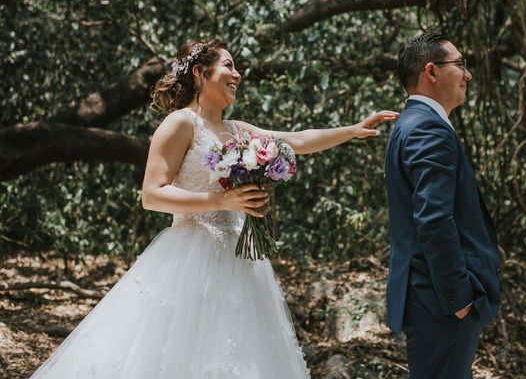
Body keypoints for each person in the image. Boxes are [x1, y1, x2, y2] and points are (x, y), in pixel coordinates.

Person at [30, 38, 398, 378]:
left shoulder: (237, 130)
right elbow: (151, 194)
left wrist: (352, 129)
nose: (237, 74)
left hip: (241, 261)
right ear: (199, 73)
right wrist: (220, 201)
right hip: (191, 257)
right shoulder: (180, 124)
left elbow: (296, 140)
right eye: (228, 65)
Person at [384, 33, 501, 378]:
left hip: (429, 299)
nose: (468, 74)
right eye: (460, 64)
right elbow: (433, 219)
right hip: (440, 302)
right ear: (431, 72)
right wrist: (460, 300)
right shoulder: (427, 130)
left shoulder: (411, 124)